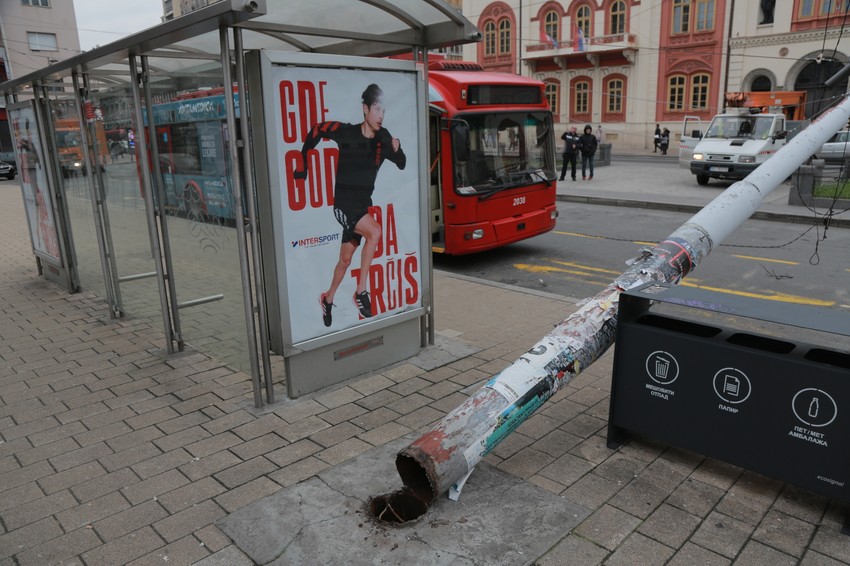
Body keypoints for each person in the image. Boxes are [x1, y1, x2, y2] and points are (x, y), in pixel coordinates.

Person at [295, 84, 406, 328]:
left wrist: (398, 150)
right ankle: (361, 292)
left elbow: (402, 163)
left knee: (345, 260)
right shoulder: (345, 132)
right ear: (365, 108)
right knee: (374, 231)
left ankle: (327, 297)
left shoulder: (383, 138)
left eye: (384, 110)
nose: (381, 115)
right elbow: (316, 130)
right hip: (344, 205)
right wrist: (303, 163)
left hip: (362, 206)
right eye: (377, 109)